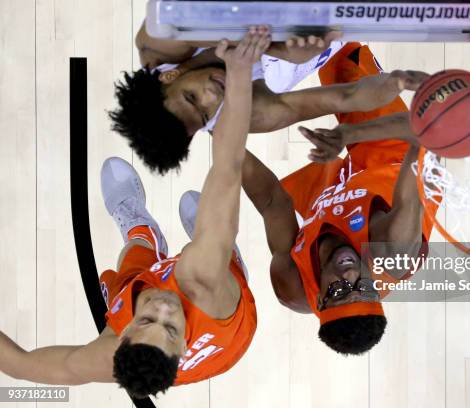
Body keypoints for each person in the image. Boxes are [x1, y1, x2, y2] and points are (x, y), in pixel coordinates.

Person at [0, 27, 268, 398]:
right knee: (213, 239)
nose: (162, 307)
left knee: (134, 261)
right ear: (182, 350)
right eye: (171, 327)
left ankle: (142, 229)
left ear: (124, 334)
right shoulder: (201, 280)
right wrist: (239, 76)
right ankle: (228, 256)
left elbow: (20, 364)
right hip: (229, 332)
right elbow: (228, 164)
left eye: (147, 319)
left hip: (158, 330)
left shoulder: (107, 355)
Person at [237, 42, 439, 355]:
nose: (350, 274)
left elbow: (272, 202)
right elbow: (419, 132)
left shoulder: (292, 286)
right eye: (363, 287)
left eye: (340, 290)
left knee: (243, 122)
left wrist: (221, 134)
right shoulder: (395, 252)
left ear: (319, 300)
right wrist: (348, 136)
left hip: (334, 198)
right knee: (345, 60)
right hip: (398, 163)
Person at [109, 26, 428, 175]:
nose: (212, 96)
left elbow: (242, 27)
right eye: (206, 114)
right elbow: (346, 97)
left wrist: (280, 48)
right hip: (329, 26)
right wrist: (400, 81)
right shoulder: (252, 115)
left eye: (192, 97)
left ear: (168, 76)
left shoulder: (159, 42)